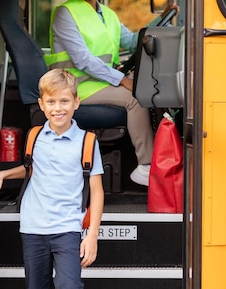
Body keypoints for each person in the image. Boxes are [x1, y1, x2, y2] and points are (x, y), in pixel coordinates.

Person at [0, 69, 104, 289]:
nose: (58, 108)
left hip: (67, 228)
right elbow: (32, 168)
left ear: (76, 103)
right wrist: (3, 176)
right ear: (42, 103)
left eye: (64, 101)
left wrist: (91, 235)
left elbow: (96, 191)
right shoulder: (35, 135)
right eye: (51, 101)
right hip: (34, 226)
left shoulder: (87, 141)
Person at [44, 0, 178, 187]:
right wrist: (122, 80)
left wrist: (161, 19)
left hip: (99, 82)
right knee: (135, 99)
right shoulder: (65, 13)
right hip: (73, 87)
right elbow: (83, 59)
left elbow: (133, 42)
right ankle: (146, 167)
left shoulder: (108, 14)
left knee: (145, 93)